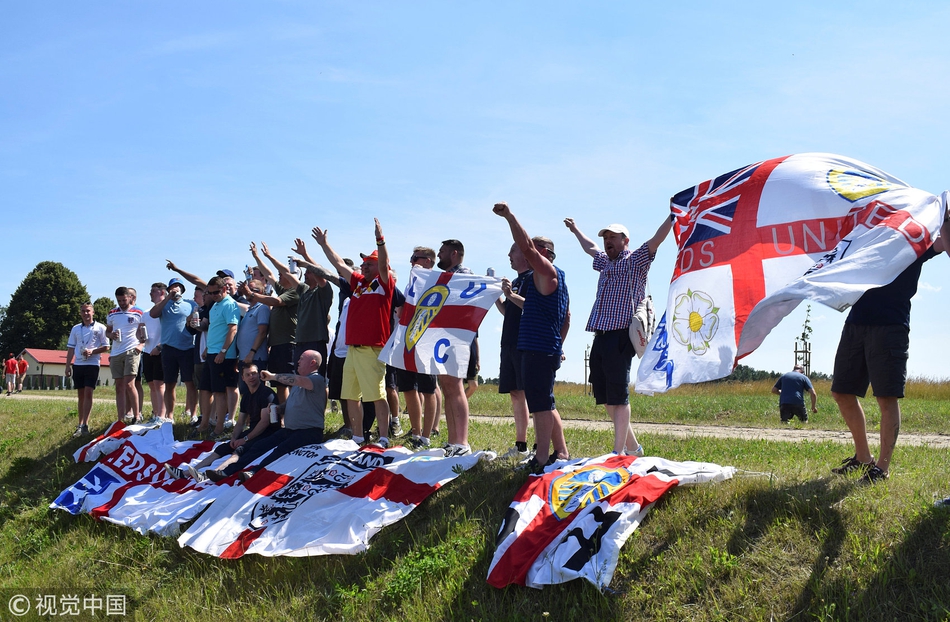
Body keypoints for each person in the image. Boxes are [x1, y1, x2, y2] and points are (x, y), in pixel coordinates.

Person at [830, 219, 950, 483]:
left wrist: (944, 215)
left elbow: (943, 243)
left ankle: (882, 469)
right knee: (841, 392)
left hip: (890, 325)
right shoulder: (868, 236)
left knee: (886, 398)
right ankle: (863, 457)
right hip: (856, 321)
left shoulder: (915, 239)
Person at [565, 217, 672, 456]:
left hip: (621, 335)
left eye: (613, 238)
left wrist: (672, 217)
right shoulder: (604, 263)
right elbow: (590, 247)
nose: (607, 242)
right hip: (600, 335)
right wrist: (575, 229)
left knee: (619, 396)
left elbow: (656, 240)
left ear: (625, 241)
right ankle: (633, 448)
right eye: (606, 238)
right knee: (604, 395)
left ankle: (618, 452)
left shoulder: (635, 261)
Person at [495, 203, 571, 469]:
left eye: (534, 249)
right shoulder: (555, 277)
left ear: (545, 253)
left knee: (541, 405)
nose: (528, 253)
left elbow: (525, 246)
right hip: (539, 347)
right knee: (543, 403)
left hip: (539, 349)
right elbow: (567, 317)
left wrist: (509, 216)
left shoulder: (548, 273)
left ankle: (540, 458)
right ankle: (560, 453)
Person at [313, 219, 394, 447]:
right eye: (364, 264)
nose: (364, 266)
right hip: (353, 349)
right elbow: (338, 263)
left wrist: (380, 240)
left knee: (376, 394)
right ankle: (357, 437)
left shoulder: (385, 284)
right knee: (350, 394)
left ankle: (384, 438)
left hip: (372, 349)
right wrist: (324, 244)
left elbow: (385, 261)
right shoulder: (358, 284)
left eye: (369, 263)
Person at [204, 350, 327, 483]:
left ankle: (254, 472)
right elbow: (290, 404)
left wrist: (272, 377)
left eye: (302, 359)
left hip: (308, 432)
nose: (298, 361)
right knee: (259, 446)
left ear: (312, 363)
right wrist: (278, 408)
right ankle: (227, 471)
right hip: (290, 431)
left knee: (280, 451)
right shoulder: (298, 385)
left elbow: (296, 379)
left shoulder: (317, 380)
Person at [165, 364, 277, 480]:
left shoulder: (266, 394)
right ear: (242, 378)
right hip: (253, 431)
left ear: (259, 374)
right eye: (248, 374)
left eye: (254, 373)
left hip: (268, 433)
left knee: (238, 451)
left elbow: (264, 423)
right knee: (223, 448)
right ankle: (185, 474)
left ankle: (212, 474)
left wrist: (245, 439)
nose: (251, 377)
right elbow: (240, 422)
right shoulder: (247, 396)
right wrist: (234, 438)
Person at [434, 238, 474, 457]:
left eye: (442, 251)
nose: (438, 255)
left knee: (456, 387)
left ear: (455, 253)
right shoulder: (443, 276)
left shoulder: (465, 275)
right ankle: (452, 441)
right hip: (442, 337)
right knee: (447, 387)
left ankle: (462, 442)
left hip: (457, 337)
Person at [397, 247, 440, 448]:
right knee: (407, 388)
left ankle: (426, 435)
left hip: (426, 341)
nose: (412, 262)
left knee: (428, 389)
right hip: (407, 340)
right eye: (411, 258)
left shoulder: (437, 280)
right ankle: (415, 432)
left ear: (429, 261)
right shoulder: (410, 284)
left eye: (417, 258)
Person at [247, 241, 300, 404]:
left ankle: (293, 415)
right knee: (279, 383)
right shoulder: (284, 289)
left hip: (288, 344)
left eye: (282, 274)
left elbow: (276, 301)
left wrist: (253, 295)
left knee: (289, 381)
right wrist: (258, 256)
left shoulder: (294, 292)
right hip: (277, 345)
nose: (278, 276)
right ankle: (284, 418)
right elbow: (268, 274)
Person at [494, 242, 533, 460]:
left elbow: (532, 307)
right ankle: (521, 446)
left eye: (513, 251)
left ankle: (538, 445)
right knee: (516, 394)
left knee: (531, 394)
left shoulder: (533, 279)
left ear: (525, 255)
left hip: (524, 343)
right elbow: (508, 311)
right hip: (508, 342)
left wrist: (510, 295)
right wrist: (499, 296)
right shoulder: (517, 281)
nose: (509, 255)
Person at [150, 277, 199, 421]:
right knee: (170, 383)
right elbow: (153, 314)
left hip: (187, 348)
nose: (175, 289)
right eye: (173, 287)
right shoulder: (163, 305)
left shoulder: (191, 304)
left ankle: (193, 414)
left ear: (182, 290)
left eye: (178, 287)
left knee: (190, 383)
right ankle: (169, 416)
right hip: (168, 349)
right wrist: (167, 298)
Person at [289, 237, 334, 376]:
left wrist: (305, 256)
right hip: (300, 342)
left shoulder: (323, 292)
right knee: (299, 379)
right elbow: (287, 275)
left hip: (315, 342)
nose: (306, 274)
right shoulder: (304, 291)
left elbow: (320, 274)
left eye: (309, 272)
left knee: (316, 380)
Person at [64, 303, 110, 436]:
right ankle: (80, 424)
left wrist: (93, 351)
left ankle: (85, 424)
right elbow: (71, 348)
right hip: (78, 364)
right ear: (80, 313)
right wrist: (67, 366)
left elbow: (106, 346)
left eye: (88, 311)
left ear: (93, 312)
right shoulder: (76, 328)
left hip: (93, 364)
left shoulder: (100, 327)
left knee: (89, 391)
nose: (85, 313)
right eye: (83, 311)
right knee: (81, 394)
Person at [204, 275, 240, 437]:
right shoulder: (214, 305)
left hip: (224, 355)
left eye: (217, 292)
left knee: (221, 391)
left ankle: (220, 427)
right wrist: (208, 348)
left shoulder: (230, 304)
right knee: (216, 390)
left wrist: (223, 352)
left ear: (225, 289)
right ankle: (214, 423)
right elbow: (215, 329)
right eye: (210, 293)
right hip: (212, 352)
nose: (214, 295)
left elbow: (232, 329)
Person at [106, 286, 146, 423]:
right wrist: (111, 335)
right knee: (119, 386)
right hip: (116, 351)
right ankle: (120, 419)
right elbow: (107, 331)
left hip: (132, 350)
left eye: (124, 300)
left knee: (130, 384)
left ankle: (137, 416)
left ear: (130, 297)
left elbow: (144, 333)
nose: (122, 303)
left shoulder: (139, 312)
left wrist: (141, 345)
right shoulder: (112, 313)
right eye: (119, 300)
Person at [140, 283, 167, 421]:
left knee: (159, 383)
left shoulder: (167, 310)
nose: (150, 293)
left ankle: (162, 415)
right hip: (147, 351)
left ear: (162, 292)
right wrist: (140, 337)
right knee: (151, 384)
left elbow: (171, 331)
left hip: (161, 351)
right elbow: (141, 331)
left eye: (153, 291)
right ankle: (155, 413)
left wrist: (160, 346)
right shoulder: (146, 313)